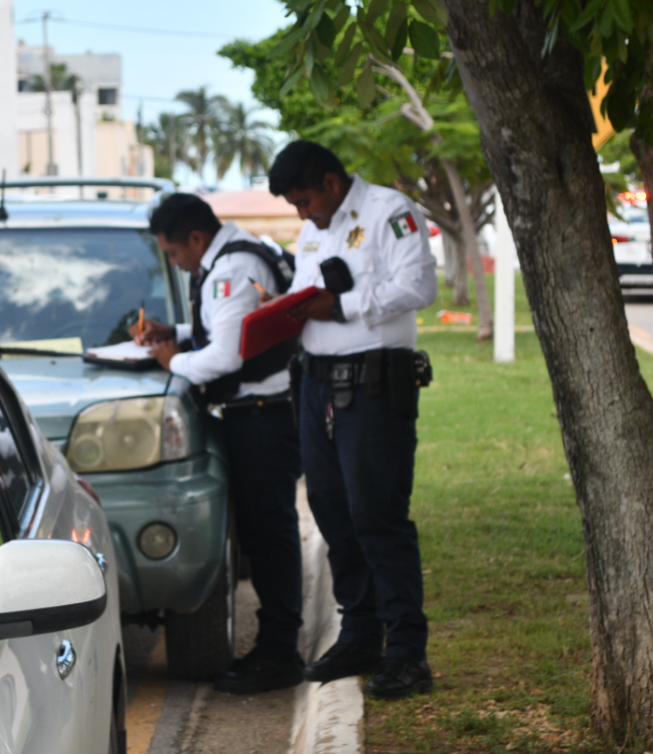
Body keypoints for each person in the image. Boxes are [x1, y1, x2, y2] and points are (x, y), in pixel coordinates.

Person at [270, 140, 438, 700]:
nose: (301, 213)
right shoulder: (315, 229)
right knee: (332, 510)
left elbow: (418, 288)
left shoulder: (391, 212)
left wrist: (339, 306)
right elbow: (304, 293)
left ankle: (408, 651)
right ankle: (361, 632)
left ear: (331, 183)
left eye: (304, 200)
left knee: (377, 514)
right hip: (317, 380)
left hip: (373, 380)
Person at [131, 193, 305, 694]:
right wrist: (178, 332)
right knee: (265, 533)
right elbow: (232, 326)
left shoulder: (231, 266)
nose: (175, 262)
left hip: (261, 417)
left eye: (173, 252)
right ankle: (276, 647)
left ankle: (279, 655)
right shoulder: (236, 255)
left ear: (196, 239)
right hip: (261, 413)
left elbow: (225, 356)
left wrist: (172, 360)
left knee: (269, 535)